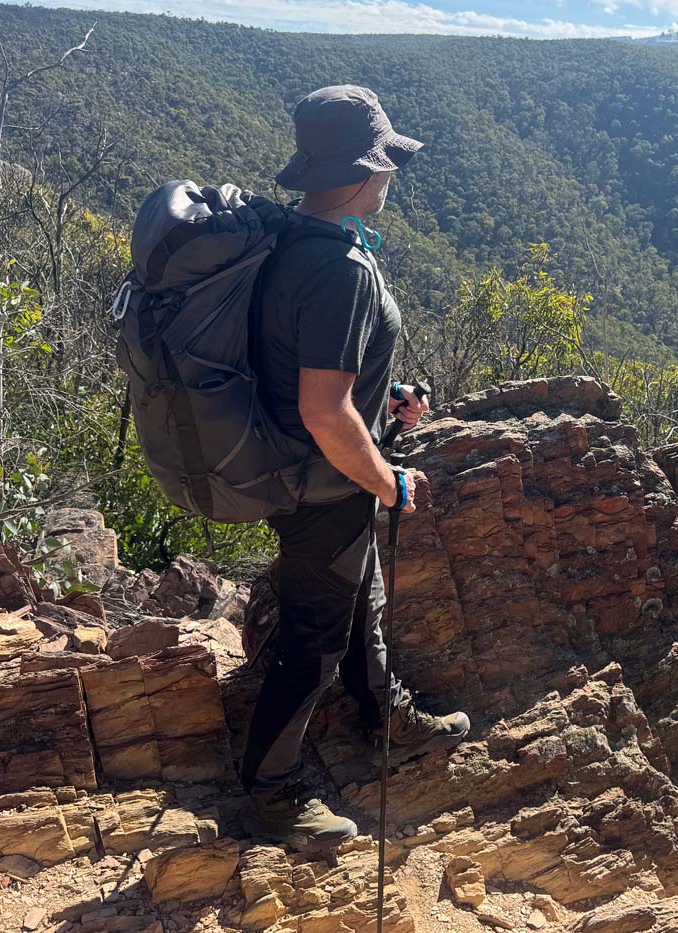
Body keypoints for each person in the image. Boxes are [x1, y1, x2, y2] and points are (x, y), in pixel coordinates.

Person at [238, 84, 469, 850]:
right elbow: (323, 410)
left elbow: (312, 374)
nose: (393, 178)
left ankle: (383, 715)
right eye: (388, 165)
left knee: (358, 599)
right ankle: (270, 790)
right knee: (315, 635)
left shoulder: (297, 241)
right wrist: (388, 480)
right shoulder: (341, 270)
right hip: (321, 484)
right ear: (368, 171)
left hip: (303, 468)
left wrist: (387, 399)